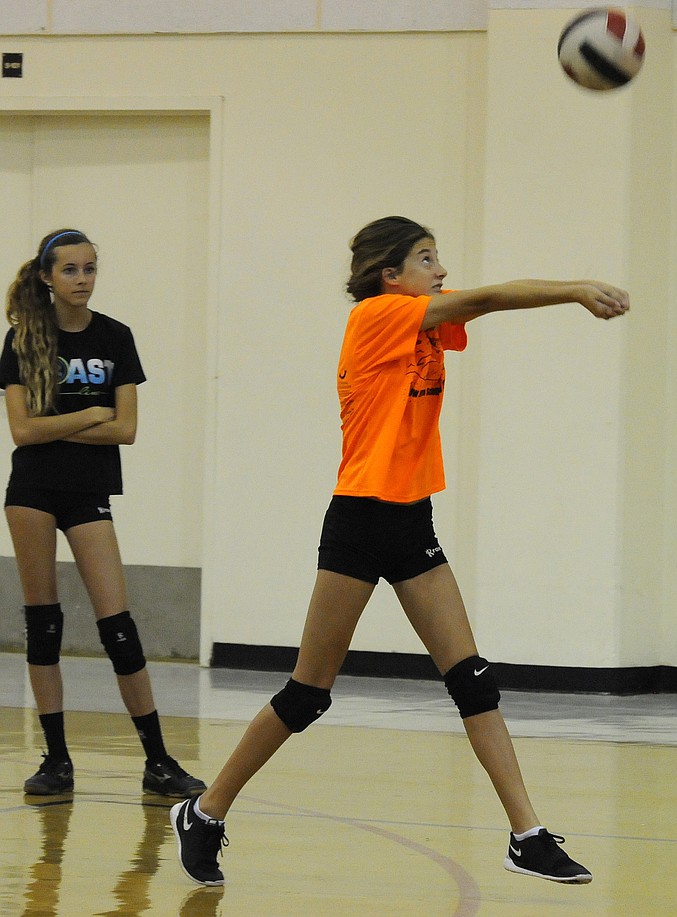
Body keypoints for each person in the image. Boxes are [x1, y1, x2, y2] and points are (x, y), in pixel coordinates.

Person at [170, 216, 630, 887]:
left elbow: (473, 308)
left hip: (411, 517)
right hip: (359, 519)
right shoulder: (380, 316)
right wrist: (576, 288)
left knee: (473, 680)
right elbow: (488, 298)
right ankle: (204, 813)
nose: (440, 269)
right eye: (426, 257)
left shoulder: (424, 321)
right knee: (307, 694)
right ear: (390, 273)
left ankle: (527, 835)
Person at [0, 229, 206, 800]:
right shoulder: (22, 340)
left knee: (119, 627)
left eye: (90, 268)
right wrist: (91, 411)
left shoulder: (116, 337)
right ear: (46, 276)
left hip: (88, 492)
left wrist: (65, 423)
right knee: (43, 626)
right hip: (32, 491)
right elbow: (22, 431)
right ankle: (57, 761)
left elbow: (128, 430)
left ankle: (159, 762)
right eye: (70, 270)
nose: (82, 279)